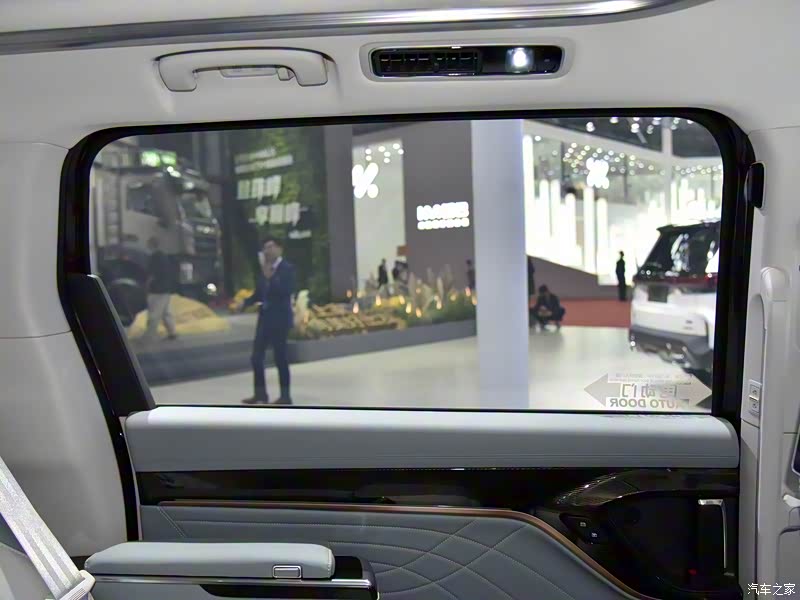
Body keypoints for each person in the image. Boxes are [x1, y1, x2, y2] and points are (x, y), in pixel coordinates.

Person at [242, 237, 296, 405]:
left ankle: (285, 396)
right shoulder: (264, 269)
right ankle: (260, 394)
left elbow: (285, 291)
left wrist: (270, 277)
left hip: (280, 319)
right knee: (256, 357)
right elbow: (259, 293)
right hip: (264, 319)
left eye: (270, 247)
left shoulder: (287, 268)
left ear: (279, 249)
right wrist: (244, 303)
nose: (267, 251)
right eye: (265, 248)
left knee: (280, 358)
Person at [144, 237, 178, 342]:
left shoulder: (154, 257)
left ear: (151, 245)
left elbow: (152, 274)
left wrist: (147, 286)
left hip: (157, 290)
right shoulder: (164, 256)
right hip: (165, 289)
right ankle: (172, 333)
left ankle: (149, 336)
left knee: (154, 314)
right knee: (166, 312)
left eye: (148, 244)